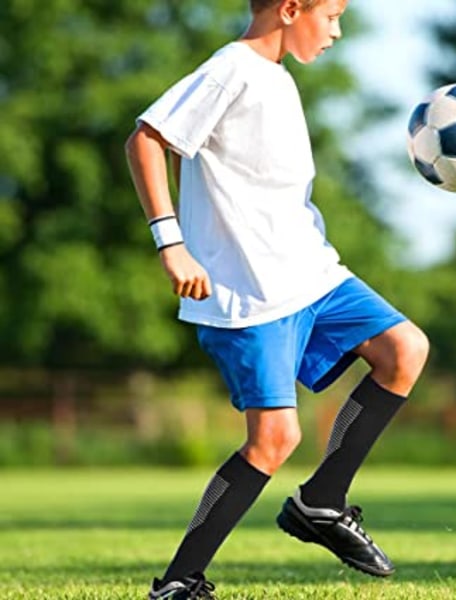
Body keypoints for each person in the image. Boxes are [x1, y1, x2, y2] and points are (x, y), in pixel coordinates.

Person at [125, 0, 429, 598]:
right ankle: (178, 583)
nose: (338, 31)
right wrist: (172, 244)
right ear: (291, 9)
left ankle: (322, 501)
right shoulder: (231, 69)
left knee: (404, 349)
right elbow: (146, 140)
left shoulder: (280, 78)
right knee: (274, 440)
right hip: (249, 294)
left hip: (311, 274)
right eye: (333, 15)